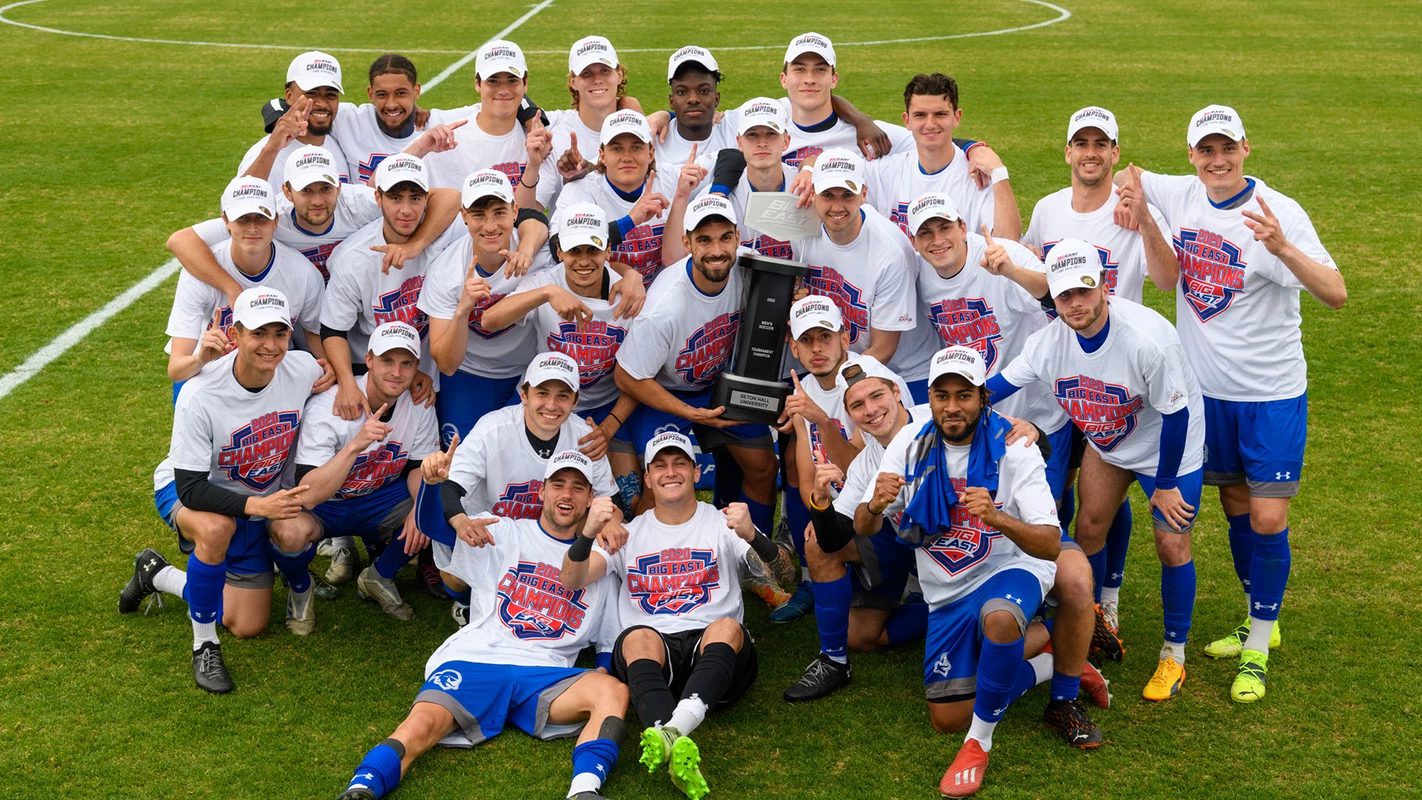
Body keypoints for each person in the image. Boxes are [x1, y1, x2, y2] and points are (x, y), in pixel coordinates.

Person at [1117, 104, 1345, 702]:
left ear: (1246, 147)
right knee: (1238, 503)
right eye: (1206, 150)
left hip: (1270, 393)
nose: (1218, 161)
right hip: (1204, 393)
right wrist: (1130, 198)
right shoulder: (1182, 192)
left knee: (1270, 518)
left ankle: (1258, 647)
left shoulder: (1279, 212)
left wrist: (1284, 248)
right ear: (1192, 155)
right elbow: (1132, 176)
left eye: (1228, 149)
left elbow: (1337, 293)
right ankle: (1256, 621)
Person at [335, 451, 629, 800]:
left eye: (578, 488)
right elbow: (436, 529)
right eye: (558, 485)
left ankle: (585, 790)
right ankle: (363, 786)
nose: (567, 494)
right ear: (541, 492)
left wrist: (603, 667)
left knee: (613, 691)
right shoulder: (501, 530)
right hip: (478, 659)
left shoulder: (603, 556)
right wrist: (431, 486)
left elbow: (608, 631)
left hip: (545, 673)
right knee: (422, 723)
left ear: (590, 500)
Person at [991, 239, 1206, 702]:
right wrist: (936, 408)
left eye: (1084, 292)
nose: (1075, 304)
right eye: (1064, 295)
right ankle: (1101, 613)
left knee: (1171, 544)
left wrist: (1165, 485)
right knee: (1087, 527)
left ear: (1105, 287)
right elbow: (995, 386)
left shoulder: (1148, 339)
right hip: (1110, 441)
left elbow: (1176, 415)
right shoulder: (1047, 343)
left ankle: (1174, 652)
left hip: (1169, 444)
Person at [860, 346, 1062, 797]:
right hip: (946, 589)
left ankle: (978, 744)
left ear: (983, 397)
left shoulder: (1014, 447)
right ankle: (1049, 660)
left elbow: (1050, 544)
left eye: (964, 395)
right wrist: (873, 505)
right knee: (947, 718)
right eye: (942, 395)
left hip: (1012, 567)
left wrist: (999, 519)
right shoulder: (909, 445)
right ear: (929, 397)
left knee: (999, 620)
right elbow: (862, 526)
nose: (953, 407)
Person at [560, 432, 795, 800]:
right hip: (653, 658)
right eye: (660, 466)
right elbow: (571, 580)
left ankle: (671, 730)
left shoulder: (722, 523)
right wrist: (588, 534)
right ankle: (672, 731)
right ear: (648, 478)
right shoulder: (627, 533)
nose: (671, 472)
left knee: (728, 627)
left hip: (718, 657)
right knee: (637, 636)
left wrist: (753, 536)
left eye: (680, 463)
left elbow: (785, 576)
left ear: (697, 471)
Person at [119, 288, 327, 693]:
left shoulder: (301, 368)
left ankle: (156, 573)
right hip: (191, 491)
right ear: (236, 333)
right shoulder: (201, 394)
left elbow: (339, 375)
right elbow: (192, 488)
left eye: (280, 334)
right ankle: (205, 646)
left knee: (246, 624)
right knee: (216, 530)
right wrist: (259, 507)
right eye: (258, 333)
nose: (270, 345)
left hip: (255, 498)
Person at [1021, 106, 1172, 633]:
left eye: (1100, 143)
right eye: (1080, 143)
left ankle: (1107, 596)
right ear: (1068, 152)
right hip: (1063, 374)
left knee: (1108, 486)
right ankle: (1069, 588)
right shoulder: (1046, 210)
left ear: (1114, 152)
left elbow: (1166, 278)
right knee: (1074, 493)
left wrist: (1146, 217)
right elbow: (1035, 278)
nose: (1089, 152)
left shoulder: (1132, 209)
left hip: (1120, 377)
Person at [612, 195, 779, 536]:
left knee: (764, 466)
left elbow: (781, 291)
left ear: (737, 237)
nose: (717, 250)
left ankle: (755, 556)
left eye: (724, 237)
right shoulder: (663, 309)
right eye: (704, 240)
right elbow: (627, 376)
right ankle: (642, 556)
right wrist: (690, 414)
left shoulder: (750, 268)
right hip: (665, 393)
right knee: (655, 488)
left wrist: (796, 294)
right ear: (686, 242)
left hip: (719, 386)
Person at [423, 353, 621, 626]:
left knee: (601, 544)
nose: (551, 405)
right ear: (524, 393)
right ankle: (468, 601)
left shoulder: (585, 437)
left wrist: (613, 521)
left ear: (575, 401)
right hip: (493, 533)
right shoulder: (493, 428)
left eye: (563, 396)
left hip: (551, 535)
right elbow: (451, 488)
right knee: (454, 575)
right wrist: (461, 523)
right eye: (542, 393)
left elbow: (611, 499)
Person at [784, 357, 928, 700]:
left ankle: (959, 611)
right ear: (850, 416)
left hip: (957, 541)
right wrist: (820, 503)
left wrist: (1030, 431)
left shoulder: (935, 419)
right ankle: (834, 661)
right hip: (898, 538)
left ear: (897, 392)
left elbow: (1000, 427)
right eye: (858, 405)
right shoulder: (865, 463)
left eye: (877, 396)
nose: (871, 410)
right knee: (858, 634)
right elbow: (833, 539)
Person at [480, 202, 642, 502]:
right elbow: (489, 320)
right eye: (574, 251)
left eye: (592, 250)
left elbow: (641, 373)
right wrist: (546, 294)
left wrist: (608, 427)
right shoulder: (546, 282)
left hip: (606, 406)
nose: (583, 261)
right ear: (559, 253)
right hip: (548, 404)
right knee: (539, 495)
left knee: (628, 498)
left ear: (608, 251)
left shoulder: (629, 293)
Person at [292, 322, 440, 620]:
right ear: (369, 359)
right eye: (387, 361)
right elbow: (308, 494)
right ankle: (299, 585)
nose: (397, 373)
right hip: (327, 506)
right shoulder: (329, 405)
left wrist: (420, 511)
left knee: (435, 506)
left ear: (416, 368)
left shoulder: (419, 402)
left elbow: (415, 467)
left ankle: (379, 575)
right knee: (286, 530)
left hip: (377, 499)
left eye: (406, 363)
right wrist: (355, 446)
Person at [163, 176, 326, 388]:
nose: (252, 228)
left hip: (271, 373)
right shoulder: (198, 272)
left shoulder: (302, 272)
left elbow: (314, 333)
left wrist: (329, 367)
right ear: (225, 221)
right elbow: (176, 369)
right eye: (242, 219)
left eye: (261, 218)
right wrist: (201, 359)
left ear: (275, 221)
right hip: (211, 374)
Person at [799, 149, 918, 370]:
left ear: (863, 194)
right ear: (813, 193)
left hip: (901, 370)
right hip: (834, 361)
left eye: (847, 195)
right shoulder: (801, 229)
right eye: (827, 195)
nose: (836, 207)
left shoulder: (891, 253)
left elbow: (883, 350)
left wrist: (834, 388)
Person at [547, 109, 683, 287]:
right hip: (602, 299)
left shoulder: (670, 179)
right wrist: (630, 221)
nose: (627, 157)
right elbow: (557, 246)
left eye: (636, 147)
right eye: (617, 148)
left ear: (650, 154)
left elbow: (725, 157)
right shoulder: (580, 191)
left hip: (658, 299)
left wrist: (670, 114)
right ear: (602, 156)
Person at [240, 51, 351, 189]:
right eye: (311, 93)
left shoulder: (342, 138)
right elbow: (240, 203)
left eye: (331, 95)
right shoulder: (264, 155)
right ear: (289, 96)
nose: (322, 103)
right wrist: (271, 150)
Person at [654, 46, 734, 168]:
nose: (693, 99)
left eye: (704, 91)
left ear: (716, 98)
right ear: (671, 101)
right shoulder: (653, 144)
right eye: (682, 92)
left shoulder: (735, 128)